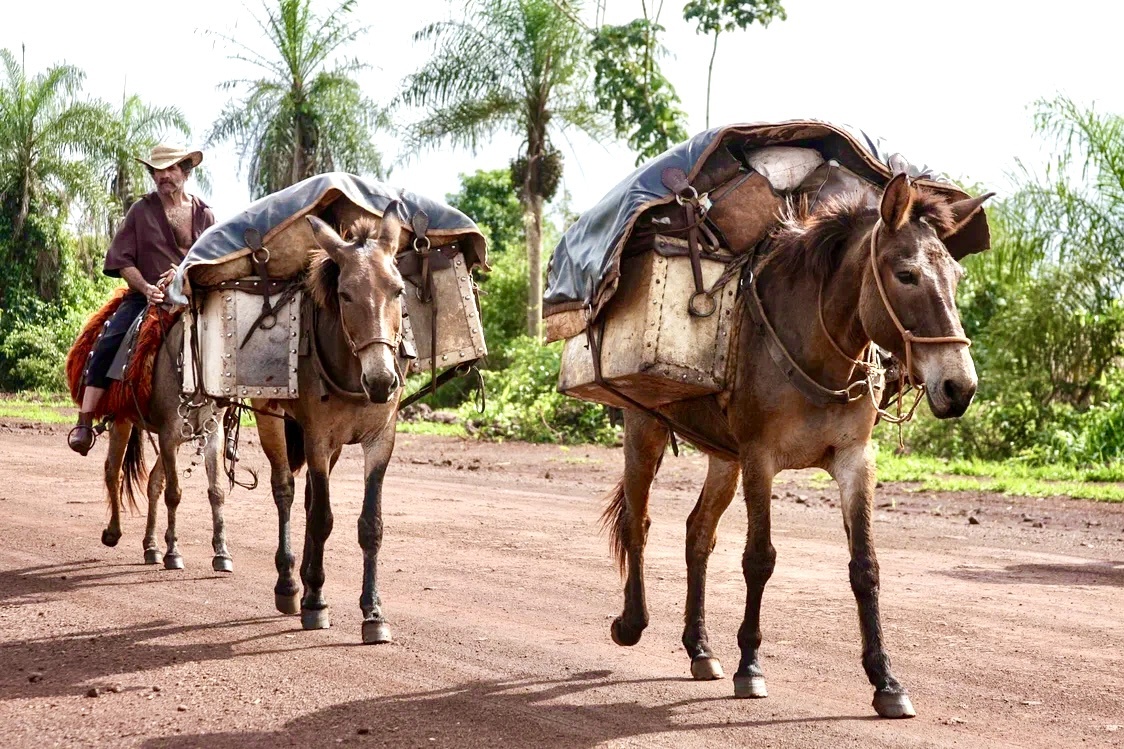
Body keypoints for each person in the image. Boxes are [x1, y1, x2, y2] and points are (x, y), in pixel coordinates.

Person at [68, 144, 215, 455]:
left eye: (171, 168)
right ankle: (84, 421)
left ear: (185, 172)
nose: (163, 175)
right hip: (145, 298)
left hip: (193, 298)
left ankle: (227, 415)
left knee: (233, 339)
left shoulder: (205, 214)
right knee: (108, 339)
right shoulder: (140, 211)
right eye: (157, 170)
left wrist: (185, 273)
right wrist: (147, 287)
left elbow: (216, 261)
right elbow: (122, 261)